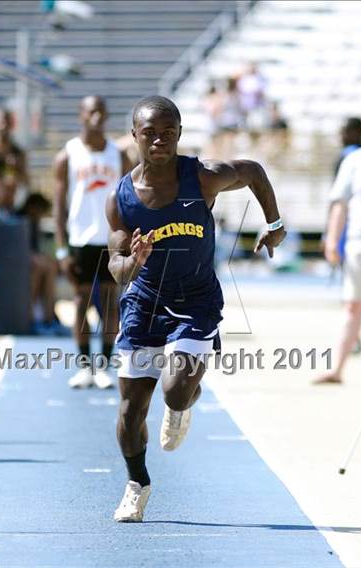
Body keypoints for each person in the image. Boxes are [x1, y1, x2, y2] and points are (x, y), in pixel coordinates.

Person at [106, 95, 286, 522]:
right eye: (149, 133)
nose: (159, 141)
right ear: (135, 135)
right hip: (145, 303)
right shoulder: (122, 200)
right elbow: (117, 269)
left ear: (180, 134)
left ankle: (183, 402)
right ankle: (137, 484)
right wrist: (134, 261)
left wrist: (274, 224)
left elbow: (254, 172)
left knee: (174, 390)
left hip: (196, 300)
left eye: (168, 132)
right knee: (131, 411)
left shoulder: (202, 177)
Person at [54, 95, 132, 389]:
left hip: (111, 239)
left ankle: (104, 367)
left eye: (101, 111)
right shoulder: (68, 155)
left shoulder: (119, 155)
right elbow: (59, 207)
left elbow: (128, 200)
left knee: (112, 305)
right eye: (91, 112)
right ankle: (84, 366)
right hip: (80, 240)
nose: (96, 117)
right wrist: (62, 248)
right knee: (81, 303)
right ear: (81, 116)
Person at [313, 108, 361, 385]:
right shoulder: (355, 160)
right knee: (353, 306)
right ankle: (337, 369)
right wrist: (332, 238)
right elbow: (340, 203)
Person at [16, 193, 68, 336]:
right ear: (32, 207)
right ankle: (32, 319)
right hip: (17, 268)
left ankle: (49, 319)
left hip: (31, 266)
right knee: (41, 266)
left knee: (49, 265)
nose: (40, 214)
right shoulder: (20, 221)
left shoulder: (33, 224)